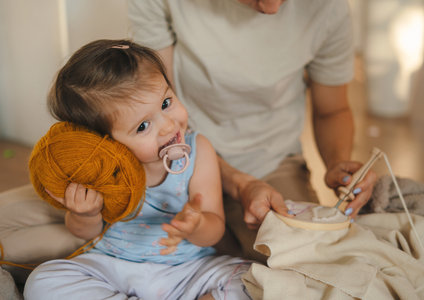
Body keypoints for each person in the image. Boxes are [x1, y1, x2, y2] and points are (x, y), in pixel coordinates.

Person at [127, 0, 377, 261]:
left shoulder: (327, 8)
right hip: (176, 160)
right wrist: (239, 184)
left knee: (306, 260)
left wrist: (338, 163)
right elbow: (157, 111)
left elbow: (332, 110)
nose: (271, 8)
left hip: (270, 162)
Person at [23, 39, 251, 300]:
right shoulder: (102, 170)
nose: (168, 126)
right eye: (143, 127)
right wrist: (85, 214)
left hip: (188, 269)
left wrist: (197, 224)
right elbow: (85, 233)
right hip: (115, 265)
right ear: (103, 142)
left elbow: (215, 229)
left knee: (249, 278)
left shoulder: (199, 149)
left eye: (166, 103)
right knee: (43, 281)